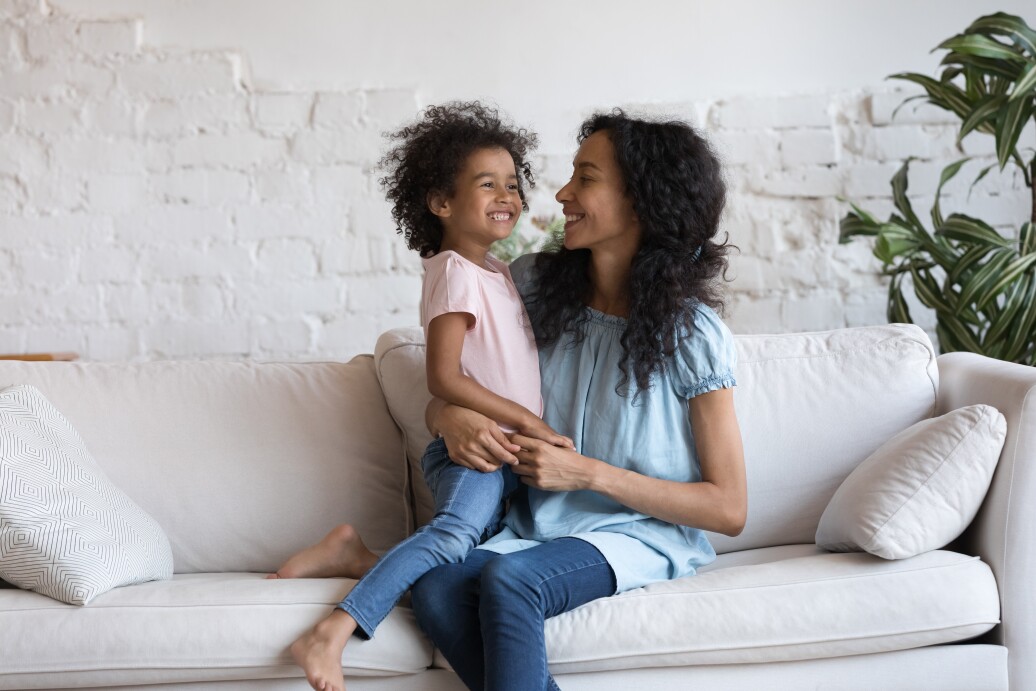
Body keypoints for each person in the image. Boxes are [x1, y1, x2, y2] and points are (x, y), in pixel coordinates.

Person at [410, 109, 747, 691]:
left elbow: (728, 509)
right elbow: (449, 385)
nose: (561, 192)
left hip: (639, 533)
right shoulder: (532, 288)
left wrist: (587, 473)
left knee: (512, 581)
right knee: (437, 588)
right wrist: (447, 415)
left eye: (585, 178)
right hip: (536, 527)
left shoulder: (693, 335)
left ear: (642, 202)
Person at [277, 101, 574, 691]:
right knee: (451, 538)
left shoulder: (496, 273)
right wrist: (529, 424)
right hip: (479, 452)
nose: (506, 195)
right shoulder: (453, 270)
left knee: (459, 569)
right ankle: (332, 630)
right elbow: (445, 379)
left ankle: (355, 555)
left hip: (505, 455)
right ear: (441, 202)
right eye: (486, 183)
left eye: (513, 184)